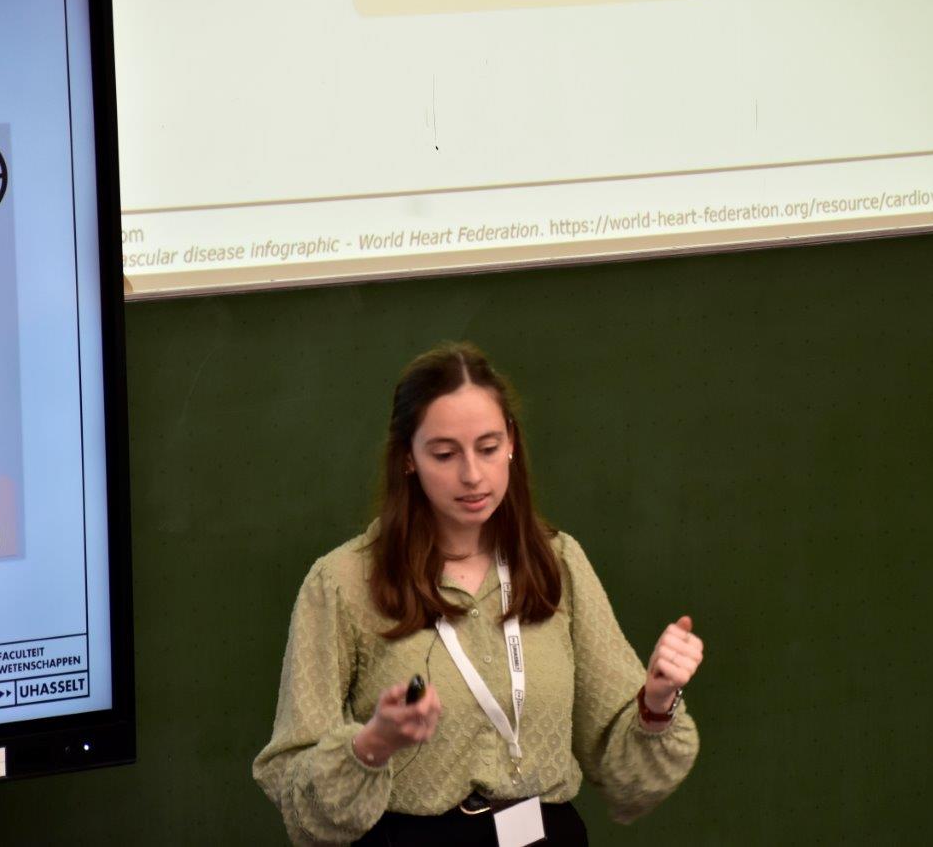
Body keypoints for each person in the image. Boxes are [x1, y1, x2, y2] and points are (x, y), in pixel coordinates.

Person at [253, 342, 703, 846]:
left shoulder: (558, 562)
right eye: (445, 454)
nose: (472, 474)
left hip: (543, 836)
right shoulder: (342, 582)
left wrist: (657, 702)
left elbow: (627, 778)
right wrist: (373, 743)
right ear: (408, 458)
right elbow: (299, 799)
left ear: (511, 442)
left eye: (488, 448)